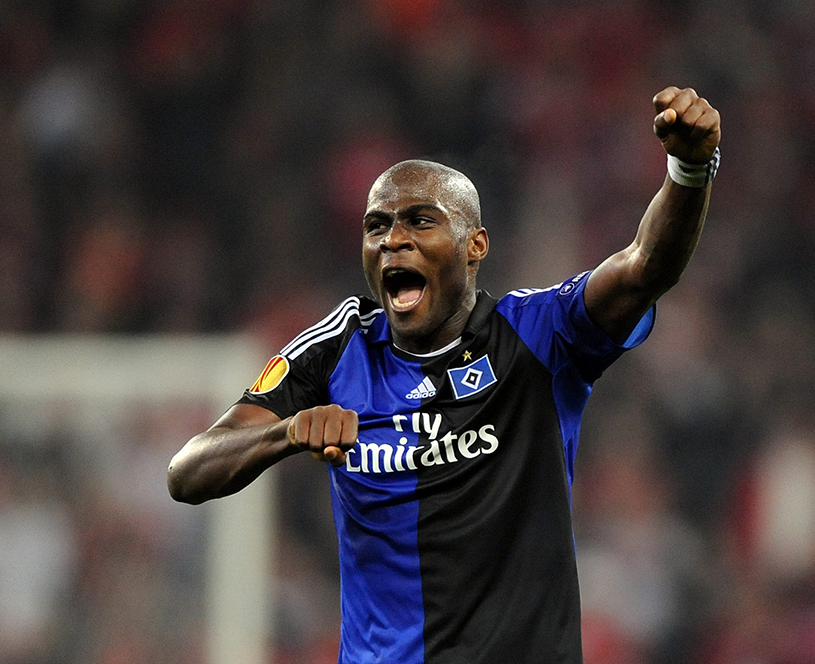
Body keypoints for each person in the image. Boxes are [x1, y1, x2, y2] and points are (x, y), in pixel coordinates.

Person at [167, 86, 721, 663]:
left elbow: (643, 267)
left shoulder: (536, 334)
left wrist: (688, 170)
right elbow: (187, 472)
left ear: (474, 244)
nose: (393, 240)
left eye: (420, 221)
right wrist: (285, 432)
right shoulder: (338, 349)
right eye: (376, 226)